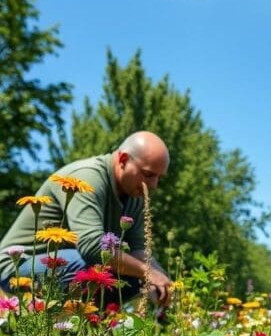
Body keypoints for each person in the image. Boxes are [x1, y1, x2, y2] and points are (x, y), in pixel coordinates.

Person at [0, 131, 173, 307]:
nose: (153, 186)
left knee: (133, 278)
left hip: (64, 264)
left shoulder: (134, 194)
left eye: (159, 178)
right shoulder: (86, 178)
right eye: (148, 175)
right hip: (18, 267)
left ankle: (97, 328)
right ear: (123, 160)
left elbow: (139, 250)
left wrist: (162, 280)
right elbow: (91, 246)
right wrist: (146, 272)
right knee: (95, 269)